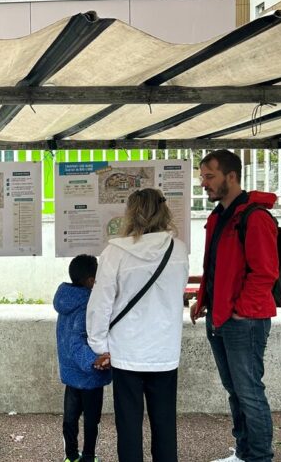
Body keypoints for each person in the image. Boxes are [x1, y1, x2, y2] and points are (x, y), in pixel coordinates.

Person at [86, 188, 189, 462]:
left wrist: (99, 344)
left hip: (127, 351)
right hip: (164, 352)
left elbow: (101, 303)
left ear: (131, 213)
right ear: (163, 211)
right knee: (165, 425)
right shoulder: (177, 249)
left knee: (129, 427)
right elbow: (175, 293)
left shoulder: (115, 252)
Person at [191, 149, 279, 462]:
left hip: (244, 321)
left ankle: (259, 456)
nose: (203, 183)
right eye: (202, 177)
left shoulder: (255, 217)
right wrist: (204, 301)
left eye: (209, 176)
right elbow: (216, 265)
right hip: (220, 317)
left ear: (232, 176)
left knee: (249, 393)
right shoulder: (220, 216)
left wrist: (240, 310)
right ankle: (243, 453)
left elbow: (266, 272)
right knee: (236, 391)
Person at [54, 254, 110, 462]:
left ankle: (70, 456)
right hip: (89, 375)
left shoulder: (66, 299)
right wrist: (93, 361)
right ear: (90, 281)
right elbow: (76, 341)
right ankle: (88, 457)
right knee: (91, 420)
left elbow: (66, 338)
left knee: (70, 418)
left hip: (71, 374)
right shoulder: (88, 303)